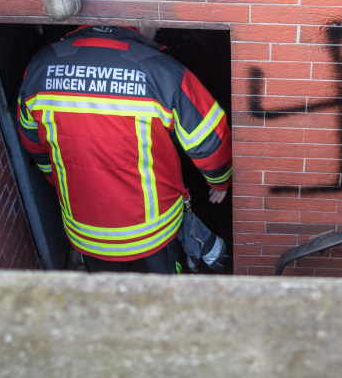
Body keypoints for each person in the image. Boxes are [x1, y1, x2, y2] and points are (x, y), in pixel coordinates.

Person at [17, 25, 232, 273]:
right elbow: (210, 140)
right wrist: (219, 182)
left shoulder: (40, 67)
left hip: (86, 233)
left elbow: (33, 143)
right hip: (153, 232)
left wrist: (55, 178)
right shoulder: (163, 72)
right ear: (140, 21)